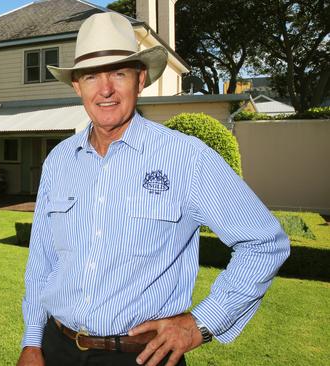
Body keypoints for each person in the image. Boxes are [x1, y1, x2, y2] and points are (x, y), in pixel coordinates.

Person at [17, 12, 289, 366]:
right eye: (91, 76)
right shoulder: (58, 161)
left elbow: (264, 242)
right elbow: (42, 262)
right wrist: (32, 341)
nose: (105, 89)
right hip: (56, 349)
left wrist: (201, 323)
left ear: (140, 79)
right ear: (77, 86)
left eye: (118, 73)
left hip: (142, 357)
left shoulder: (186, 157)